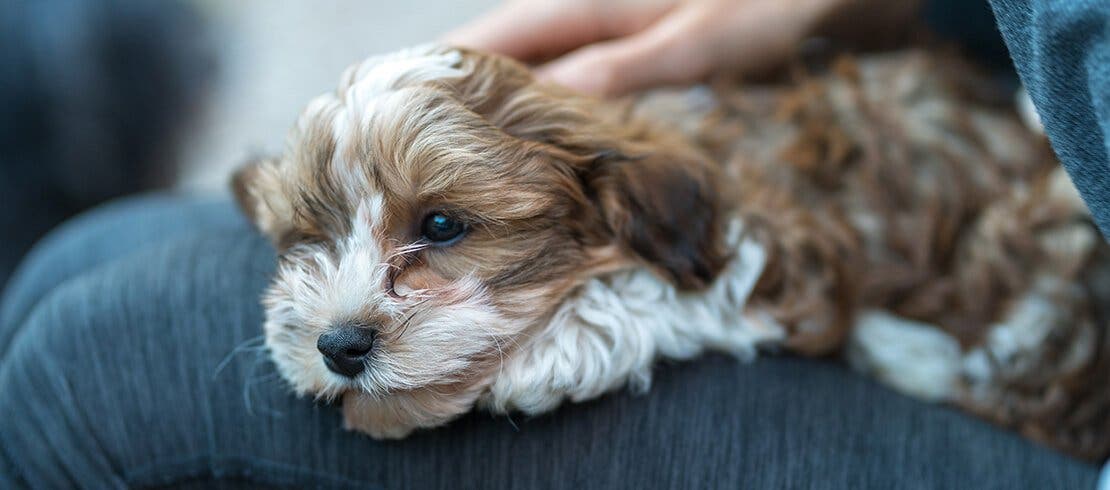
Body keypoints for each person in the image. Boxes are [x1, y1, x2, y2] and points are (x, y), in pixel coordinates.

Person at [0, 0, 1106, 488]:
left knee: (94, 355)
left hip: (1036, 383)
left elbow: (756, 274)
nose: (346, 314)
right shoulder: (624, 181)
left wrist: (571, 334)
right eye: (311, 237)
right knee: (79, 264)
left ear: (619, 208)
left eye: (439, 232)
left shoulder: (669, 208)